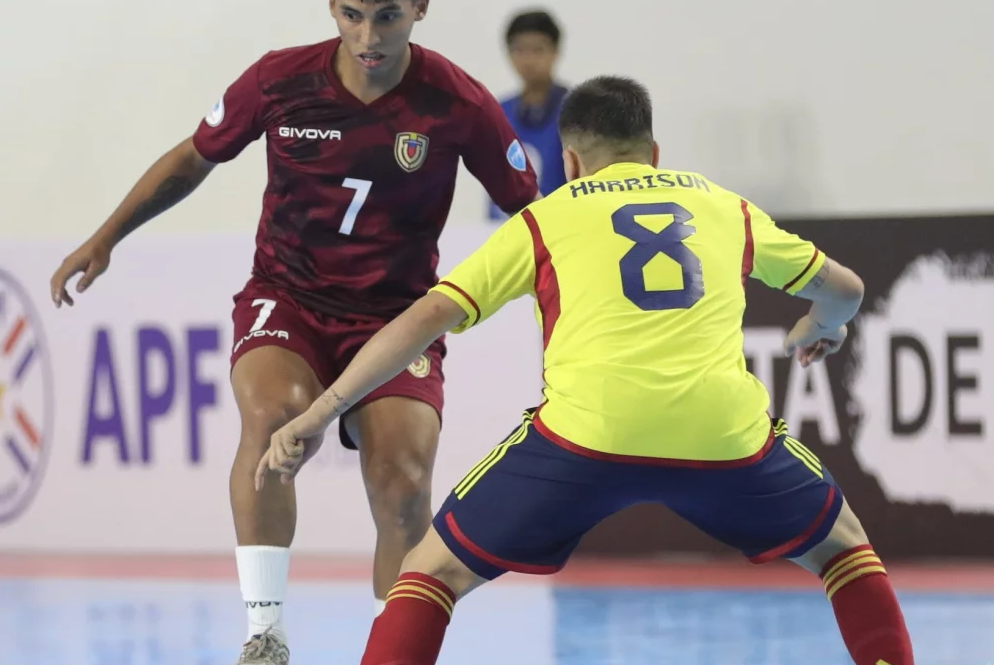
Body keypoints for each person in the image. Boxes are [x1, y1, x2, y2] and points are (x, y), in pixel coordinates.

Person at [257, 75, 916, 665]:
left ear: (569, 162)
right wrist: (820, 327)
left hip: (583, 440)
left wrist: (322, 412)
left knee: (429, 571)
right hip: (722, 437)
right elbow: (847, 289)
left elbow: (423, 319)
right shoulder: (724, 205)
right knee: (845, 549)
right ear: (655, 153)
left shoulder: (548, 218)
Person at [49, 0, 538, 665]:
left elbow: (535, 217)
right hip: (290, 301)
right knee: (270, 419)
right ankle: (266, 635)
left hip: (396, 318)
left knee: (404, 480)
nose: (368, 36)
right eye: (351, 13)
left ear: (420, 6)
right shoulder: (279, 80)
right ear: (332, 4)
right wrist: (107, 236)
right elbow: (193, 158)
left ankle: (395, 651)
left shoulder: (458, 104)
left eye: (388, 16)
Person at [488, 10, 568, 220]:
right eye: (520, 50)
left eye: (538, 49)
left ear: (556, 51)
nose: (528, 60)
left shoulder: (575, 111)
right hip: (504, 230)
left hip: (558, 232)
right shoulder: (498, 111)